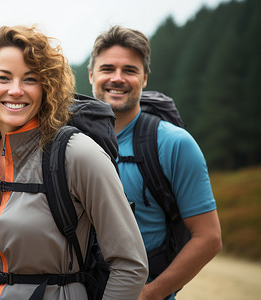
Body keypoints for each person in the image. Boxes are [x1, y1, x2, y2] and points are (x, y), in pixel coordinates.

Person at [0, 25, 148, 300]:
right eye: (3, 78)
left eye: (30, 80)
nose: (15, 91)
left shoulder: (77, 154)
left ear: (46, 87)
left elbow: (131, 265)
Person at [87, 25, 223, 300]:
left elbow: (208, 238)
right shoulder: (73, 141)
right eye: (107, 69)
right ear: (91, 75)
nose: (117, 78)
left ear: (145, 78)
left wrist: (149, 294)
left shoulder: (174, 143)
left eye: (130, 70)